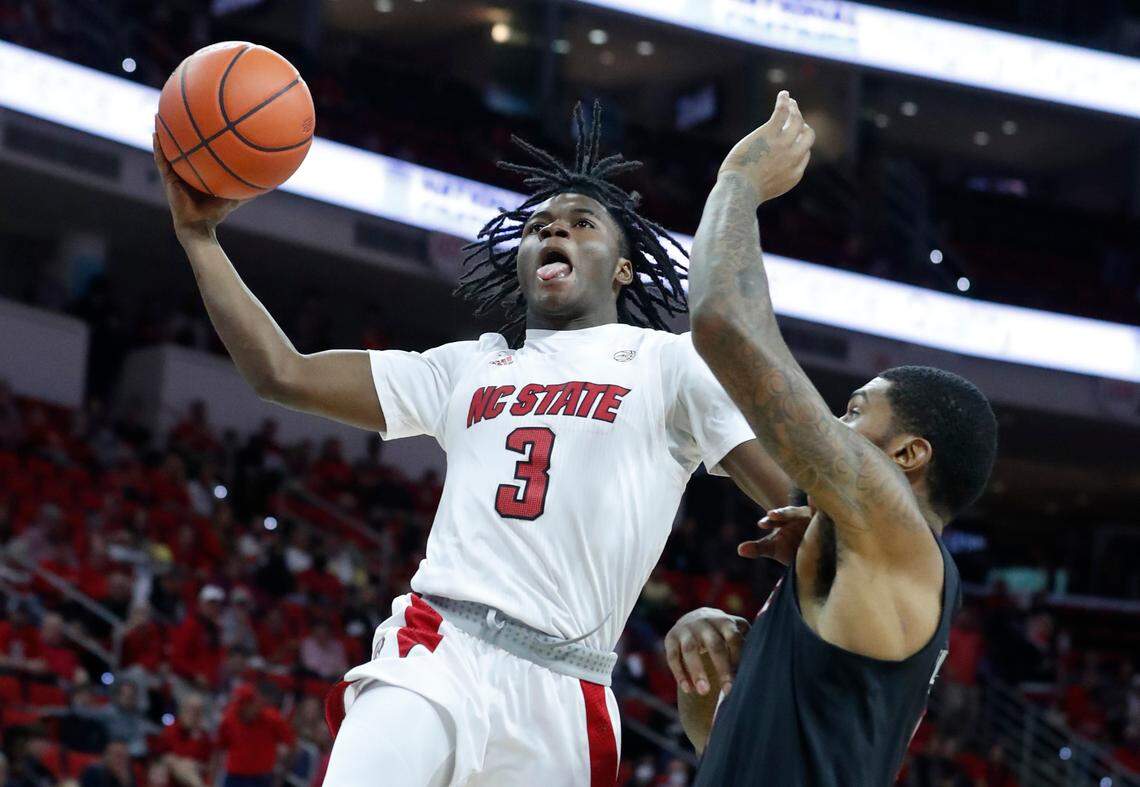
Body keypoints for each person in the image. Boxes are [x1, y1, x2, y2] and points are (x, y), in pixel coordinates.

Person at [152, 101, 791, 786]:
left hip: (566, 688)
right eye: (540, 227)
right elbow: (283, 372)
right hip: (438, 646)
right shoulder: (468, 366)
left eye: (581, 225)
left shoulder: (670, 364)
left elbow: (788, 497)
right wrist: (200, 241)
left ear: (623, 269)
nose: (556, 234)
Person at [664, 91, 999, 786]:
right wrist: (701, 666)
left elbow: (722, 321)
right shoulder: (860, 567)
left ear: (908, 455)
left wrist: (741, 183)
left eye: (853, 410)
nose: (833, 428)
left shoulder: (894, 520)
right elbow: (719, 745)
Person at [216, 683, 295, 787]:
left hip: (261, 779)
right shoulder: (229, 720)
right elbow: (218, 749)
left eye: (243, 705)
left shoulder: (272, 719)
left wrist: (282, 774)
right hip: (234, 777)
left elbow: (292, 744)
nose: (239, 710)